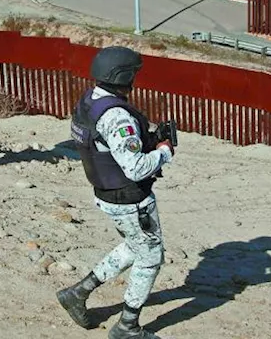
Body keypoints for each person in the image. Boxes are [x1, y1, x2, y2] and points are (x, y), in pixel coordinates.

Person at [57, 46, 175, 339]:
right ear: (122, 76)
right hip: (129, 198)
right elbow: (135, 168)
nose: (135, 78)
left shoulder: (91, 100)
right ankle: (127, 327)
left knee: (135, 246)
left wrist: (148, 138)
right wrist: (163, 152)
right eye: (133, 73)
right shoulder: (117, 117)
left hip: (107, 191)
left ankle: (78, 293)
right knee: (150, 257)